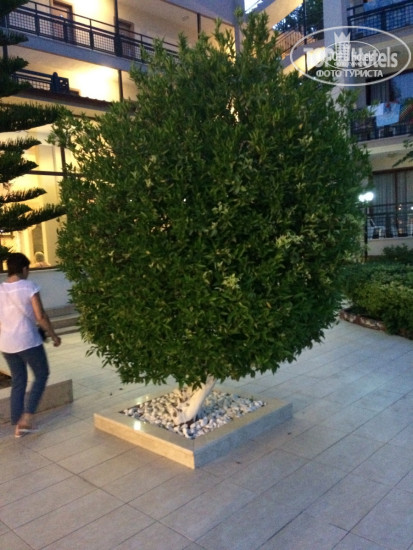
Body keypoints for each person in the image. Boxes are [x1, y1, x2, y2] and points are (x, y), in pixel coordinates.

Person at [0, 253, 61, 438]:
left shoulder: (0, 289)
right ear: (24, 269)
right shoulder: (29, 287)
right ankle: (26, 420)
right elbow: (40, 316)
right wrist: (53, 335)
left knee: (18, 380)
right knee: (42, 374)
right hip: (28, 341)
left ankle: (17, 423)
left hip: (7, 344)